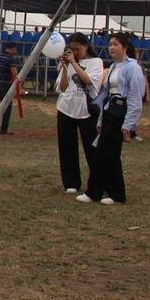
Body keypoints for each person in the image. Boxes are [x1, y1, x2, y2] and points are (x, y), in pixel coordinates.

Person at [80, 31, 143, 205]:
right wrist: (101, 119)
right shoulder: (115, 66)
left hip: (120, 114)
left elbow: (135, 98)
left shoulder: (133, 68)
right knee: (106, 153)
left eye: (115, 44)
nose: (111, 48)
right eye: (110, 44)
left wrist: (128, 124)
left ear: (125, 47)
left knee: (107, 153)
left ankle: (99, 192)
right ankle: (111, 192)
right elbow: (105, 94)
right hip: (109, 111)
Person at [55, 33, 102, 194]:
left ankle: (97, 182)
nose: (75, 52)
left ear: (86, 46)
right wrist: (65, 67)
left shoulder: (96, 62)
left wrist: (74, 63)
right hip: (66, 107)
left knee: (92, 147)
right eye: (72, 49)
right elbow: (61, 87)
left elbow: (89, 81)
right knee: (67, 146)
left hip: (87, 109)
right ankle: (71, 182)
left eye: (78, 49)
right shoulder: (68, 63)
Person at [0, 45, 20, 135]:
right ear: (9, 49)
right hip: (6, 84)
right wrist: (18, 86)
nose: (15, 50)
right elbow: (15, 74)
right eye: (14, 48)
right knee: (7, 106)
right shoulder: (11, 59)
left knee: (3, 105)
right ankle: (4, 129)